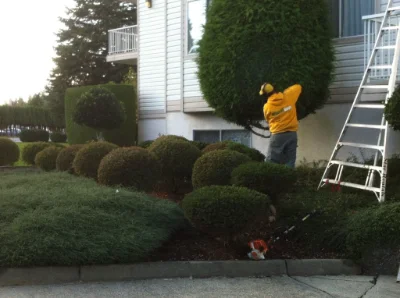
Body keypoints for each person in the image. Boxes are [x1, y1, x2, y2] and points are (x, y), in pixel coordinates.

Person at [259, 83, 302, 168]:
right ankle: (288, 180)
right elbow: (298, 87)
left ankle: (272, 181)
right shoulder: (289, 96)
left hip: (277, 135)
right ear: (274, 89)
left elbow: (268, 120)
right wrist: (286, 92)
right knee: (290, 162)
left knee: (271, 162)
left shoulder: (267, 107)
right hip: (292, 134)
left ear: (265, 95)